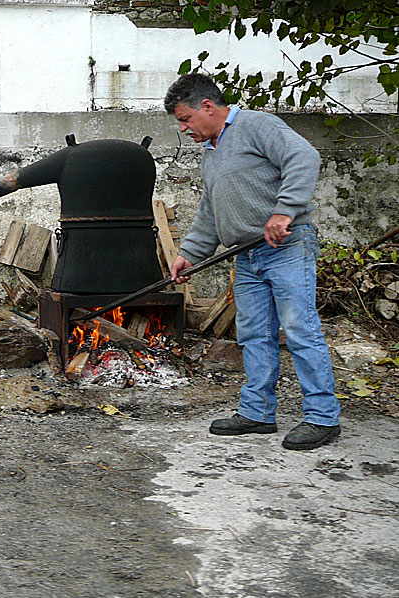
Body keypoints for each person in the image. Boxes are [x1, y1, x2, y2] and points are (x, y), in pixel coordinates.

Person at [163, 73, 341, 451]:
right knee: (253, 335)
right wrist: (189, 254)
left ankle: (323, 418)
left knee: (300, 330)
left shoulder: (257, 125)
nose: (182, 129)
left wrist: (284, 211)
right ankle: (258, 413)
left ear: (207, 107)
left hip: (287, 247)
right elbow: (211, 213)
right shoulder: (211, 155)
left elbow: (304, 157)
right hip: (246, 256)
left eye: (185, 119)